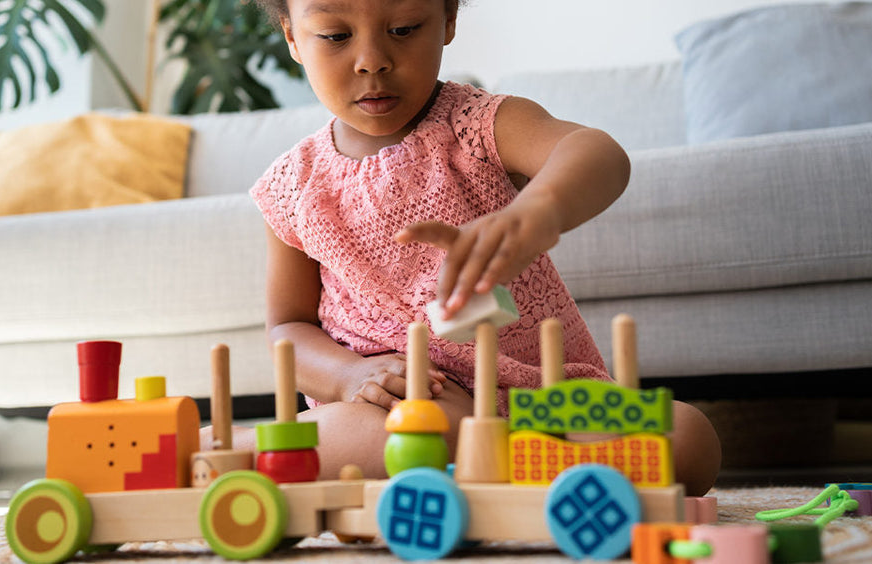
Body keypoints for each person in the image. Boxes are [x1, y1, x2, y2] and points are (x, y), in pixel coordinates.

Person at [203, 0, 721, 496]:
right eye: (336, 37)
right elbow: (287, 329)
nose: (372, 60)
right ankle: (225, 449)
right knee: (419, 434)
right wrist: (348, 375)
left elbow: (596, 153)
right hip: (400, 403)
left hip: (540, 403)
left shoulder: (478, 125)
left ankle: (498, 472)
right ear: (293, 38)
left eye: (403, 29)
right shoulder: (293, 187)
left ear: (447, 20)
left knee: (688, 440)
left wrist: (537, 212)